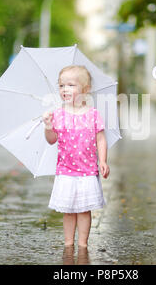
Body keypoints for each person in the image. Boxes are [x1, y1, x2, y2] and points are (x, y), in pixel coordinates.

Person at [42, 65, 110, 248]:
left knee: (83, 209)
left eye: (70, 85)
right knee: (68, 210)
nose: (65, 89)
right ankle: (68, 242)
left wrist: (103, 160)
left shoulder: (93, 114)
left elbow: (101, 139)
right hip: (65, 170)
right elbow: (51, 140)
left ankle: (82, 244)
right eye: (61, 85)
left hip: (87, 170)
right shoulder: (58, 114)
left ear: (85, 90)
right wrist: (48, 126)